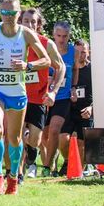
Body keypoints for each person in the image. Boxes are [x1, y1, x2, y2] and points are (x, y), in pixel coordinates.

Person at [0, 0, 51, 196]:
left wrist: (28, 65)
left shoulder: (26, 34)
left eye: (12, 12)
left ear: (19, 13)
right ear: (0, 12)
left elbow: (46, 60)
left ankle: (14, 177)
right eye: (4, 12)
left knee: (14, 138)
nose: (8, 16)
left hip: (17, 91)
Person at [18, 9, 64, 178]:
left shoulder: (46, 44)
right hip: (17, 96)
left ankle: (31, 154)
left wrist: (53, 92)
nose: (30, 25)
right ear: (20, 22)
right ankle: (17, 174)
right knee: (16, 136)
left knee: (35, 140)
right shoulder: (13, 43)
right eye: (26, 21)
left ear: (38, 25)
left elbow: (61, 67)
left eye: (33, 22)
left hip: (38, 98)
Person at [43, 21, 76, 175]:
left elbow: (75, 70)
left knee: (55, 130)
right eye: (59, 35)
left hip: (63, 97)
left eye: (65, 36)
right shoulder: (46, 49)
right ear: (53, 35)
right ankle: (53, 159)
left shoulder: (73, 51)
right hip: (44, 97)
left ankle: (47, 167)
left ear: (69, 36)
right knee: (44, 136)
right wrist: (47, 80)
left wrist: (73, 87)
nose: (62, 39)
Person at [63, 40, 94, 161]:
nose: (80, 55)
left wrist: (92, 108)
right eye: (77, 52)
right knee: (63, 140)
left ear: (89, 52)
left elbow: (101, 92)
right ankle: (68, 162)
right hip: (69, 110)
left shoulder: (93, 70)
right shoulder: (68, 68)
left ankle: (79, 169)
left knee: (82, 144)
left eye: (83, 52)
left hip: (85, 111)